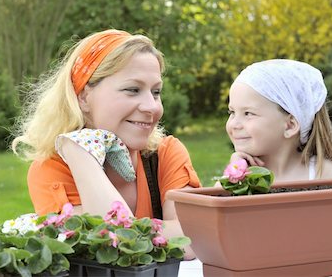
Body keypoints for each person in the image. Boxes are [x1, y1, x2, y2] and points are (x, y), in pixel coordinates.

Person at [12, 29, 200, 258]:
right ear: (83, 97)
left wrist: (128, 231)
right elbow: (108, 248)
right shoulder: (53, 169)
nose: (152, 107)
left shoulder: (164, 153)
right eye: (133, 90)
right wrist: (80, 154)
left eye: (156, 92)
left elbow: (194, 240)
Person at [226, 59, 332, 181]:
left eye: (248, 113)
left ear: (290, 125)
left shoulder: (323, 174)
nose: (234, 124)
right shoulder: (241, 178)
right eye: (232, 112)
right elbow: (218, 200)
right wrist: (236, 176)